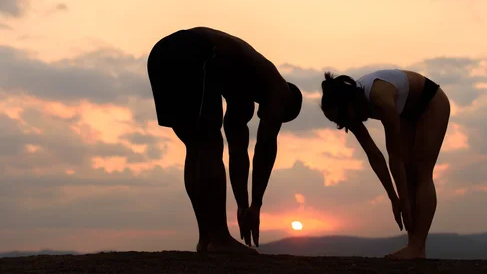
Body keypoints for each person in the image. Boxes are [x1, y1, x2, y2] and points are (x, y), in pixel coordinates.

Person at [147, 27, 303, 254]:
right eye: (279, 118)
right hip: (195, 52)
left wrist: (243, 205)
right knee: (209, 144)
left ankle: (207, 238)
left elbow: (238, 152)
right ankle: (219, 238)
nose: (272, 119)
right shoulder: (279, 88)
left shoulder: (244, 92)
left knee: (196, 145)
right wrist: (256, 205)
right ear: (287, 105)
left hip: (161, 54)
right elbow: (264, 149)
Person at [319, 69, 450, 260]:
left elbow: (393, 156)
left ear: (348, 103)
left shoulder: (380, 98)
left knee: (420, 172)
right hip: (407, 111)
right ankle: (415, 248)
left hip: (431, 101)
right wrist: (393, 198)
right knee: (408, 173)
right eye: (338, 122)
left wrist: (404, 201)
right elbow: (374, 156)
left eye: (341, 118)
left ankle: (416, 247)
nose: (342, 124)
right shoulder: (349, 111)